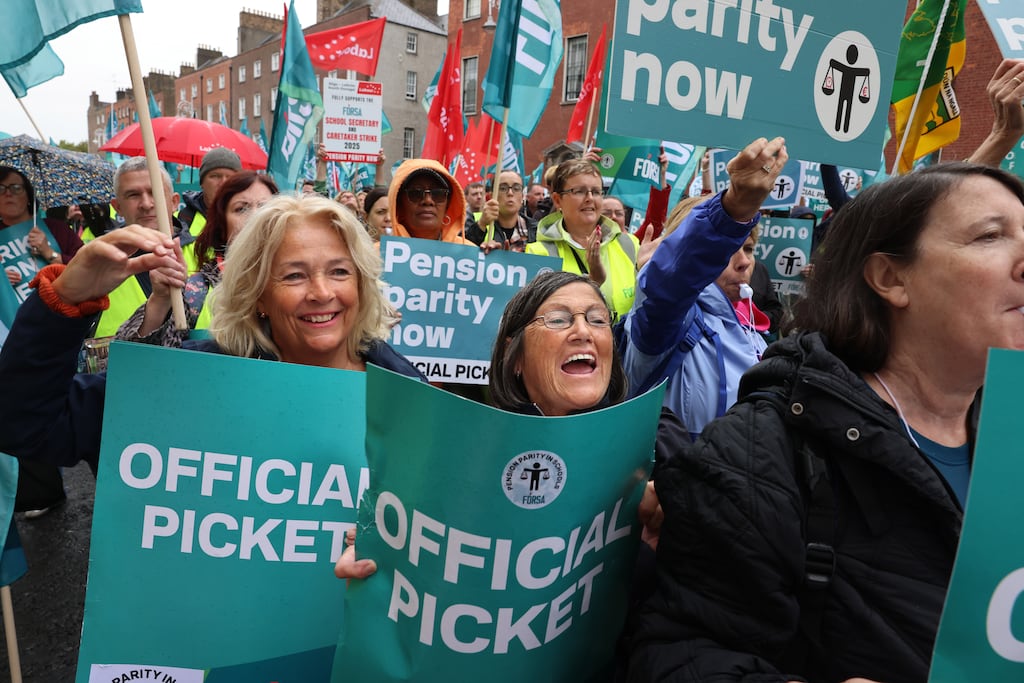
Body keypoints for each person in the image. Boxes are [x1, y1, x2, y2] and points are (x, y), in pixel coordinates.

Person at [627, 161, 1024, 683]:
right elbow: (681, 656)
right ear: (888, 277)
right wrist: (733, 210)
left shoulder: (1008, 430)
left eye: (749, 246)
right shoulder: (765, 455)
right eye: (990, 236)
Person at [0, 193, 425, 473]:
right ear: (258, 294)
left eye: (339, 272)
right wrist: (64, 300)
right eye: (294, 276)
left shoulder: (411, 396)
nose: (321, 292)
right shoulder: (197, 379)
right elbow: (27, 427)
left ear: (362, 284)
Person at [621, 137, 786, 439]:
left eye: (748, 249)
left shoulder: (754, 334)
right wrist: (734, 209)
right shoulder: (669, 322)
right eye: (728, 250)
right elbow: (673, 284)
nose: (743, 263)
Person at [115, 170, 279, 345]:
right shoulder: (196, 291)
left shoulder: (307, 284)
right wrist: (160, 301)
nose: (255, 216)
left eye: (264, 207)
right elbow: (135, 358)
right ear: (223, 226)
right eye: (241, 208)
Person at [92, 157, 194, 338]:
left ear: (174, 202)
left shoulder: (207, 255)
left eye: (154, 192)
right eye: (133, 195)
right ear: (117, 207)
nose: (146, 204)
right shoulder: (97, 262)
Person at [526, 159, 640, 320]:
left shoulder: (629, 244)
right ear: (558, 200)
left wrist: (657, 271)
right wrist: (593, 283)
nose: (590, 198)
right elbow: (539, 319)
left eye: (596, 191)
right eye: (579, 191)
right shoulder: (538, 253)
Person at [1, 165, 83, 290]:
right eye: (0, 189)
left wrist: (50, 253)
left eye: (16, 188)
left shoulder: (57, 229)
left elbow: (87, 266)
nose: (8, 194)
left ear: (28, 196)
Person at [387, 159, 473, 245]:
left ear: (447, 205)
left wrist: (485, 256)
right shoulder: (377, 256)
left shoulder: (470, 255)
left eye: (438, 194)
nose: (428, 201)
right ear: (399, 203)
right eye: (416, 193)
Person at [466, 170, 537, 251]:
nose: (510, 193)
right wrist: (481, 225)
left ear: (522, 196)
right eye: (503, 188)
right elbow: (462, 253)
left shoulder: (536, 230)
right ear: (492, 196)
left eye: (516, 188)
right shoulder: (473, 221)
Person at [178, 147, 241, 237]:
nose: (223, 183)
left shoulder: (252, 222)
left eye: (230, 177)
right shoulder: (179, 222)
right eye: (215, 176)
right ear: (202, 182)